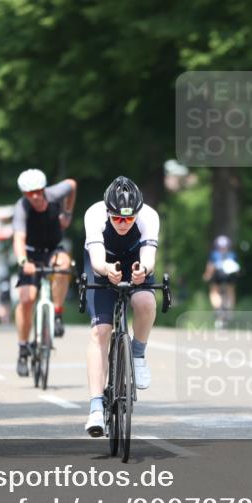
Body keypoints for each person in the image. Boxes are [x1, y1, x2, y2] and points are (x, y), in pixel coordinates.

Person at [82, 176, 160, 437]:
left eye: (129, 218)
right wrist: (107, 270)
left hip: (136, 262)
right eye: (117, 218)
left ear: (137, 212)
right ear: (108, 212)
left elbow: (149, 257)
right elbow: (96, 260)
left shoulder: (149, 216)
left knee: (145, 301)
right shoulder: (94, 214)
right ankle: (95, 407)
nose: (123, 223)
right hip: (103, 264)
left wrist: (142, 270)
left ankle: (137, 354)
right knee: (101, 331)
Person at [12, 168, 78, 376]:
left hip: (53, 249)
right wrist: (23, 261)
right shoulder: (22, 208)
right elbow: (18, 239)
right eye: (29, 193)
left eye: (38, 191)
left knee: (64, 265)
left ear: (43, 189)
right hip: (31, 254)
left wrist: (67, 213)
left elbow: (72, 184)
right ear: (24, 194)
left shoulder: (55, 194)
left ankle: (57, 313)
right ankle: (23, 348)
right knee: (27, 299)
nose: (35, 196)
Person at [202, 235, 240, 313]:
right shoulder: (232, 254)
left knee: (214, 290)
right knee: (231, 290)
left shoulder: (214, 254)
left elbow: (210, 266)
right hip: (230, 275)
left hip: (218, 274)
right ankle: (230, 309)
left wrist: (207, 275)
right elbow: (237, 268)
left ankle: (217, 307)